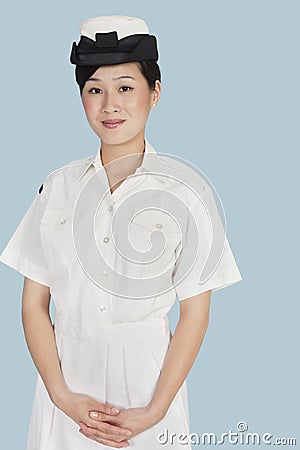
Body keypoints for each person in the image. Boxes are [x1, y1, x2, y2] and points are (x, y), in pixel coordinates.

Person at [0, 15, 242, 449]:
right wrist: (60, 396)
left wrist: (155, 409)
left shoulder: (189, 194)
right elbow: (34, 304)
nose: (110, 105)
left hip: (150, 389)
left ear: (156, 93)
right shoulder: (56, 188)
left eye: (126, 87)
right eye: (95, 90)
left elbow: (195, 313)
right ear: (81, 99)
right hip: (65, 389)